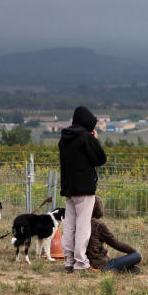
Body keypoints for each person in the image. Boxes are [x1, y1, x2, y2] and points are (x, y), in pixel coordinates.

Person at [59, 105, 107, 273]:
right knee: (83, 226)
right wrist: (94, 140)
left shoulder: (64, 138)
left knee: (70, 225)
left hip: (69, 188)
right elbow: (100, 159)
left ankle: (69, 261)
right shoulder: (86, 138)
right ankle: (81, 263)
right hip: (84, 189)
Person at [86, 196, 142, 273]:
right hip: (100, 264)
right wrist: (133, 252)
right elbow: (116, 244)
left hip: (87, 262)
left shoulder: (81, 222)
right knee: (137, 256)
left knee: (134, 269)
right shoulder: (98, 225)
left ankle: (124, 269)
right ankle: (111, 269)